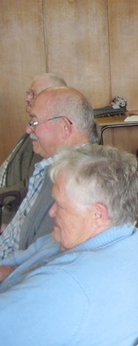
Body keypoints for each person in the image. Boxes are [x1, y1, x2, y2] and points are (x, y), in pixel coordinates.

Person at [0, 145, 138, 346]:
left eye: (60, 205)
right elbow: (16, 264)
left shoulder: (67, 287)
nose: (51, 212)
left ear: (98, 214)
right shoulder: (119, 236)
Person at [0, 86, 98, 260]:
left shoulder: (74, 180)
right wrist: (10, 230)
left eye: (34, 122)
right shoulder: (50, 167)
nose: (28, 129)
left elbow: (43, 260)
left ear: (65, 127)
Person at [0, 73, 67, 231]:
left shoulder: (47, 137)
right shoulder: (33, 130)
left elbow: (32, 186)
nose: (27, 98)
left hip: (13, 219)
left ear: (51, 97)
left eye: (33, 93)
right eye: (28, 93)